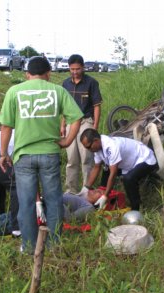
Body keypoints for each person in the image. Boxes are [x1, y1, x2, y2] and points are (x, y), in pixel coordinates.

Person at [0, 56, 83, 254]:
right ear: (48, 74)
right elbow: (77, 118)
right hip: (49, 154)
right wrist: (68, 141)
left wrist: (3, 153)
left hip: (24, 156)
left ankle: (29, 247)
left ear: (27, 74)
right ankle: (54, 245)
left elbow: (6, 126)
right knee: (54, 201)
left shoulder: (14, 92)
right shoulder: (57, 90)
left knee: (26, 203)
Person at [0, 189, 104, 243]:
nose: (95, 191)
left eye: (99, 193)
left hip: (45, 211)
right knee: (2, 218)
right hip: (41, 204)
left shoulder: (88, 207)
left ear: (99, 201)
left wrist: (52, 201)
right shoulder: (78, 194)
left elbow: (68, 218)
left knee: (6, 224)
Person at [80, 128, 158, 211]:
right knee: (106, 170)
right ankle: (105, 204)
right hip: (129, 162)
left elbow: (113, 173)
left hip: (145, 158)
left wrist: (105, 195)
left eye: (88, 147)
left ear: (96, 140)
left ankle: (136, 209)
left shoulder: (111, 146)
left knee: (128, 179)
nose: (88, 150)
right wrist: (86, 188)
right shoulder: (97, 148)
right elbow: (96, 167)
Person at [61, 54, 103, 194]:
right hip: (70, 122)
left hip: (86, 122)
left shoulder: (91, 83)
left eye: (77, 69)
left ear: (83, 67)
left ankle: (87, 189)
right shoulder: (65, 84)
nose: (74, 72)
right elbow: (64, 107)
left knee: (86, 158)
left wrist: (94, 128)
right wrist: (62, 125)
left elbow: (97, 106)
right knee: (71, 159)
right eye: (72, 69)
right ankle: (70, 190)